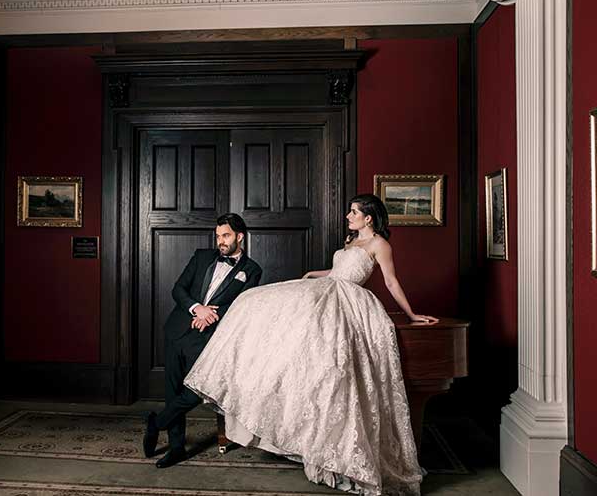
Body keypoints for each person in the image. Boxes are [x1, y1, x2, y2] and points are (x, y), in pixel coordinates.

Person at [183, 194, 436, 495]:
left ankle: (341, 451)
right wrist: (313, 275)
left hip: (349, 302)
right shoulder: (350, 242)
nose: (348, 216)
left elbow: (391, 282)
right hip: (327, 290)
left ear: (369, 217)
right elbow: (337, 273)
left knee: (333, 364)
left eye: (354, 212)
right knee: (254, 301)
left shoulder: (379, 245)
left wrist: (411, 314)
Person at [143, 213, 263, 468]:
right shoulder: (201, 256)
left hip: (210, 338)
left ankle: (156, 423)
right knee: (173, 390)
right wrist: (198, 308)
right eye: (218, 235)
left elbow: (241, 306)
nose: (220, 241)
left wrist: (211, 316)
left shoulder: (251, 270)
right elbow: (178, 289)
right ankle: (176, 449)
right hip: (178, 329)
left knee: (198, 390)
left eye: (226, 235)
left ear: (239, 237)